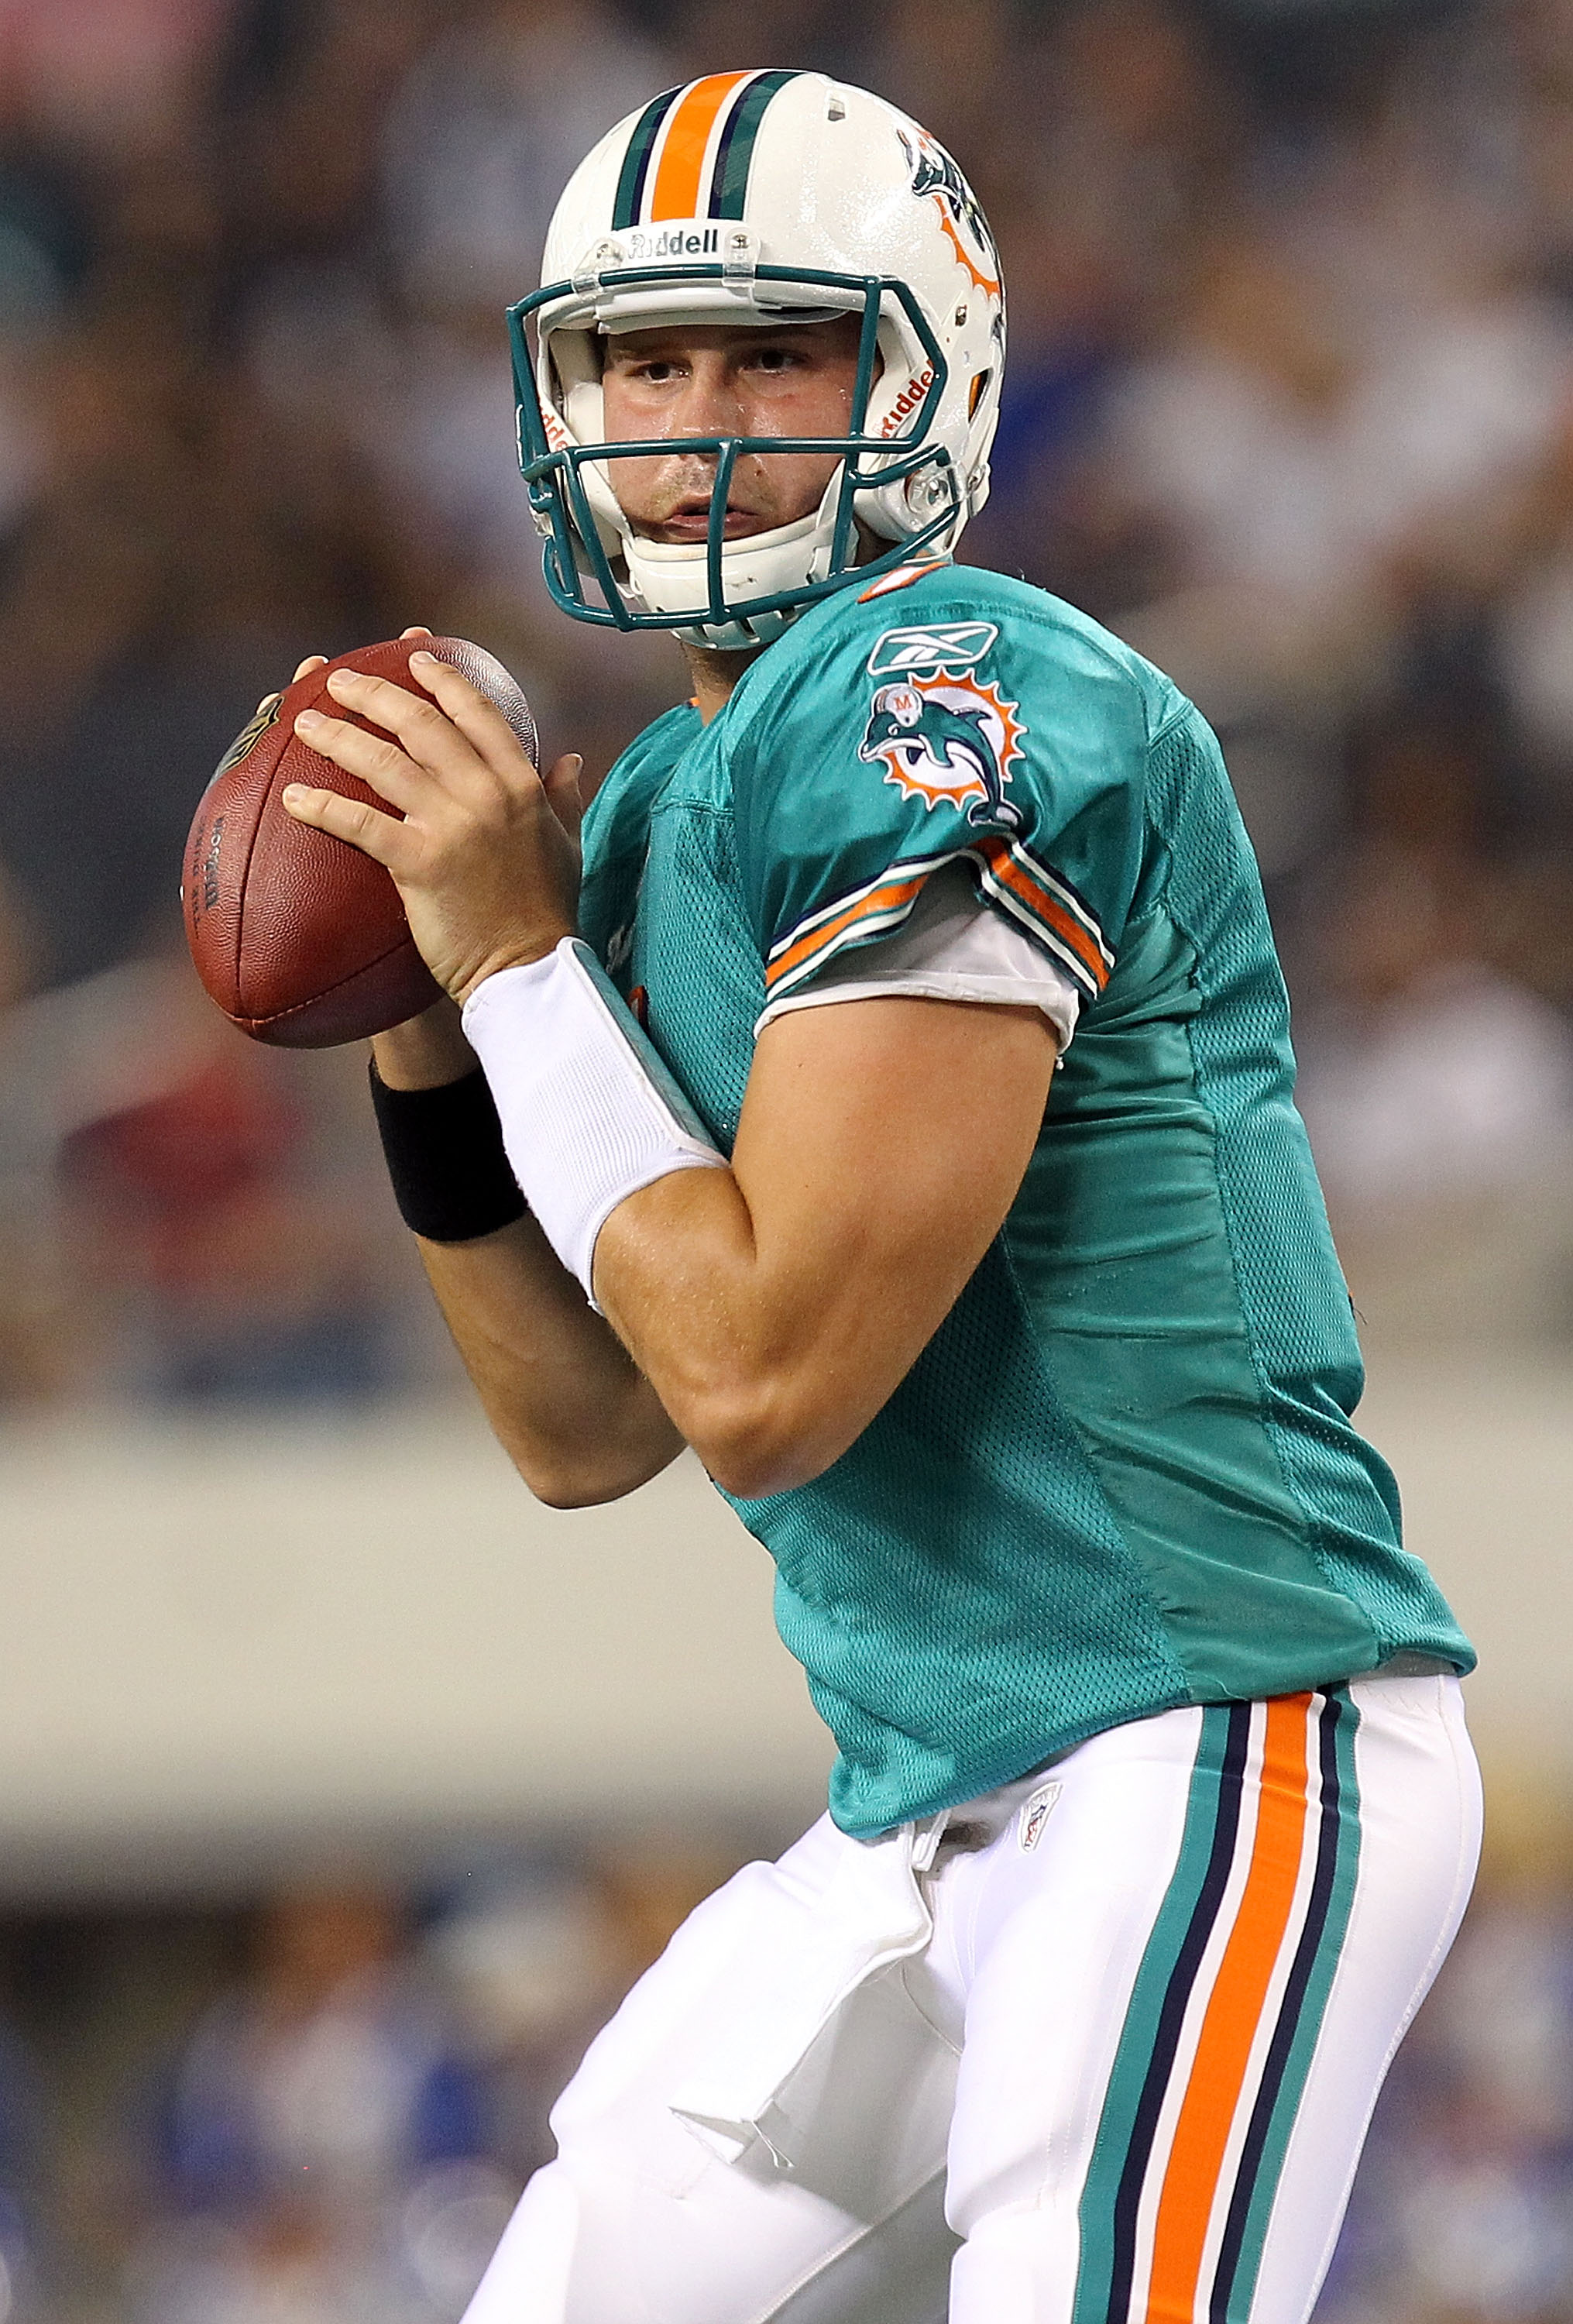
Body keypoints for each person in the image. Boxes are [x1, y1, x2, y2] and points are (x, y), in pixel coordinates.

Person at [279, 70, 1482, 2324]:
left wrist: (526, 965)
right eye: (646, 362)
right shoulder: (648, 811)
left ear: (923, 378)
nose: (699, 417)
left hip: (1204, 1740)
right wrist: (433, 1027)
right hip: (926, 1805)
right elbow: (587, 1426)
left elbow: (760, 1381)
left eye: (774, 352)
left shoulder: (964, 689)